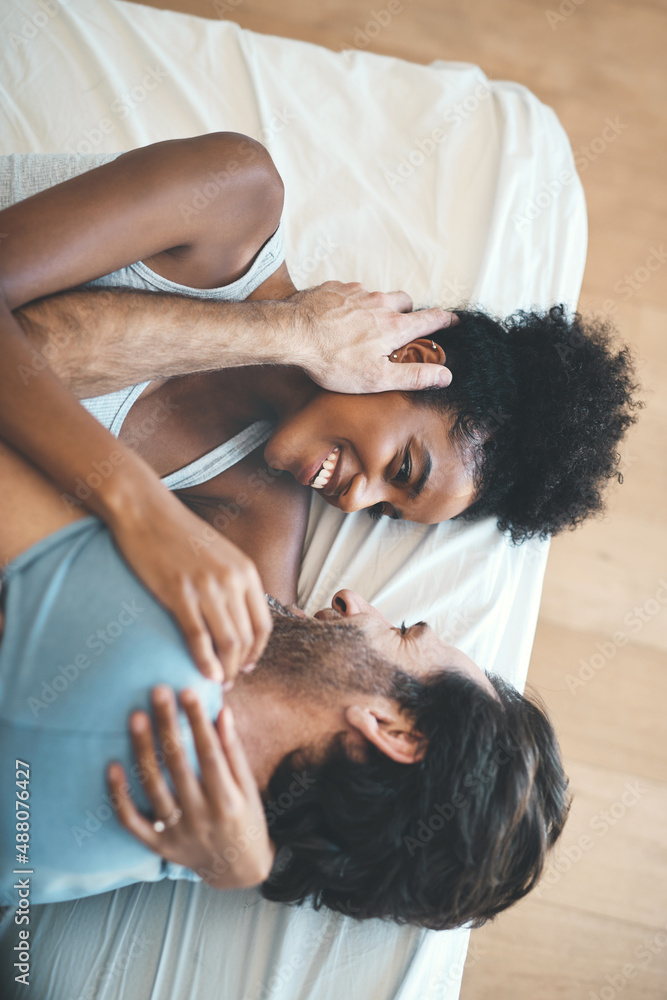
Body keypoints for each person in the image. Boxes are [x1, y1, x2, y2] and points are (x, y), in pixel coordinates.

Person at [1, 136, 639, 678]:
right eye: (402, 469)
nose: (356, 500)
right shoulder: (233, 199)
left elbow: (246, 692)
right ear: (408, 361)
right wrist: (289, 334)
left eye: (385, 512)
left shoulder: (255, 514)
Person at [0, 433, 569, 929]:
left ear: (392, 729)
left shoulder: (160, 660)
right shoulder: (208, 838)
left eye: (400, 633)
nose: (353, 601)